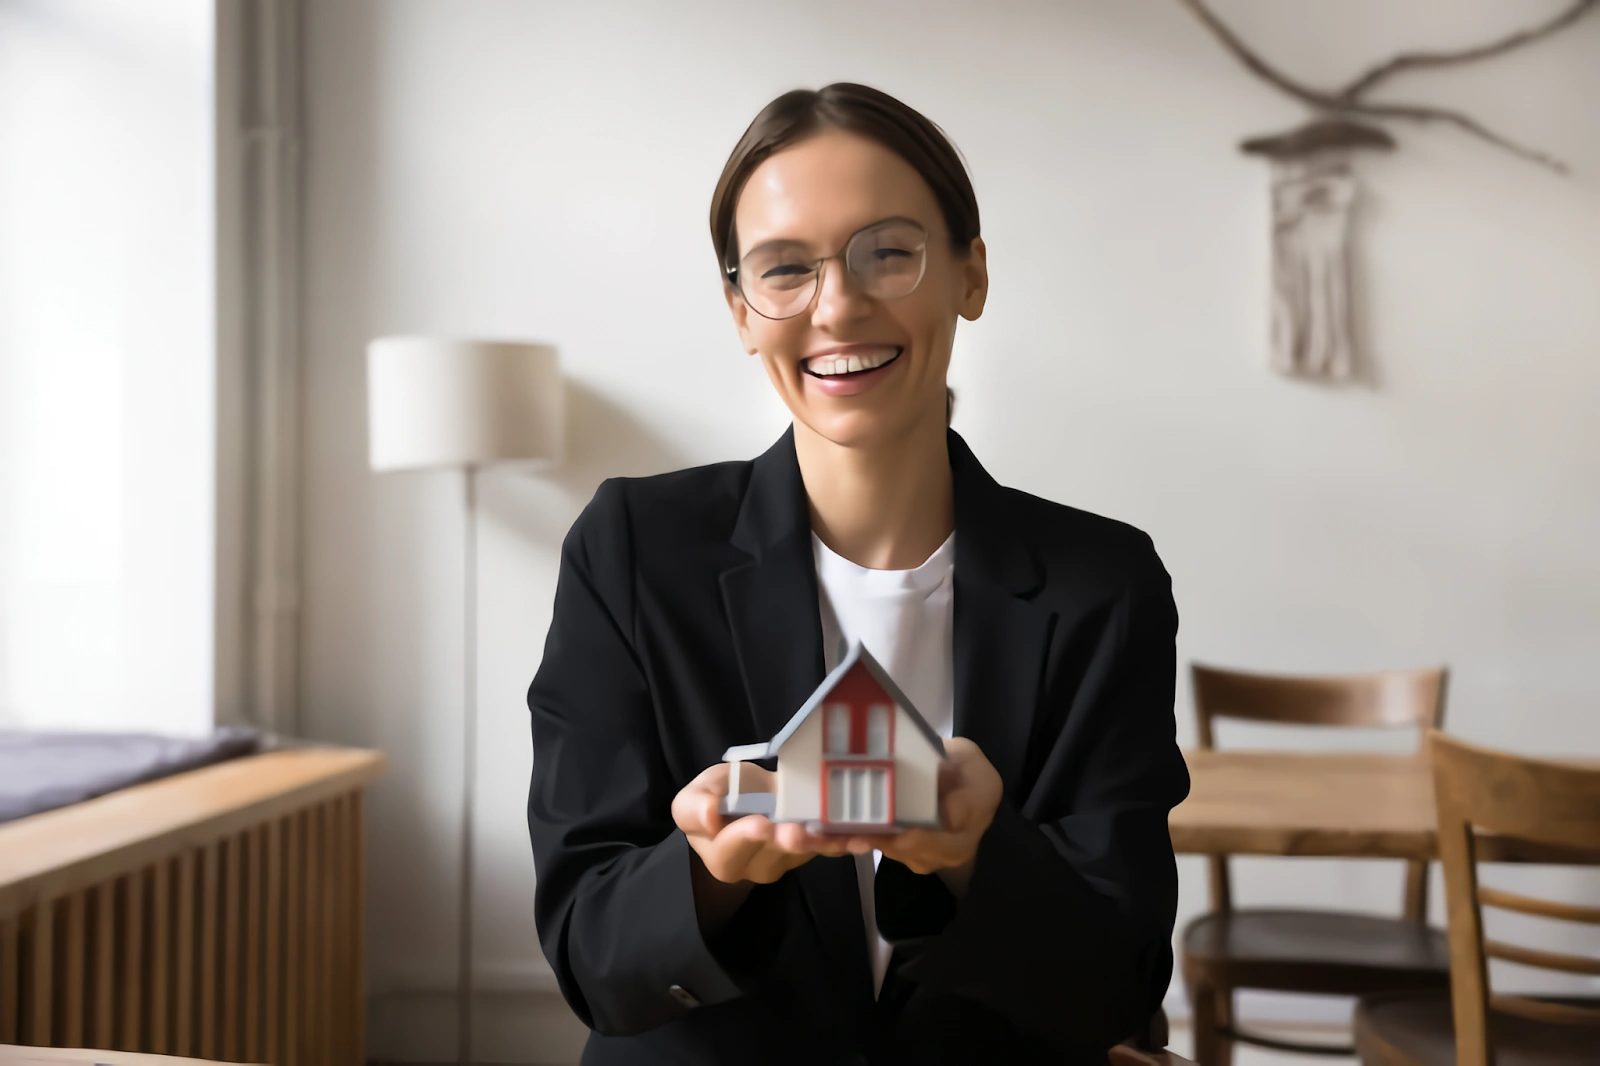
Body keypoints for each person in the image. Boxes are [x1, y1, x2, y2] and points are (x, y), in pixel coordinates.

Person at [527, 82, 1190, 1066]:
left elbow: (1114, 983)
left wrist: (972, 853)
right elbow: (591, 956)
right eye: (784, 269)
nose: (837, 305)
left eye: (887, 251)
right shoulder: (631, 549)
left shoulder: (1103, 584)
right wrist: (710, 869)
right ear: (741, 312)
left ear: (970, 274)